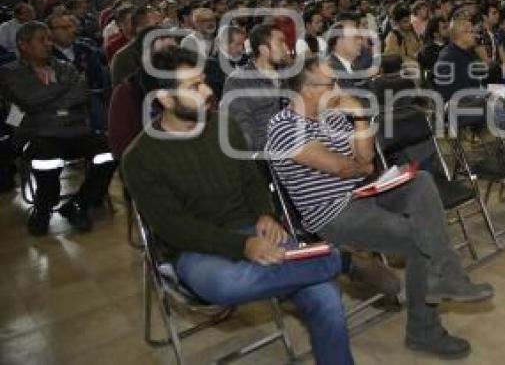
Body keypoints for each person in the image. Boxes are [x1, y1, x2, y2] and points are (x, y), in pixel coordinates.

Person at [121, 48, 355, 365]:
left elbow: (251, 180)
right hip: (194, 249)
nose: (208, 92)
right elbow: (174, 227)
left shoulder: (225, 126)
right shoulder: (140, 158)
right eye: (194, 87)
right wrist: (242, 245)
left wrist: (265, 213)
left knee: (326, 297)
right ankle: (340, 260)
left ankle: (326, 265)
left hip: (252, 227)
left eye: (204, 81)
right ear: (164, 98)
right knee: (228, 282)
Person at [265, 57, 494, 359]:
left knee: (422, 181)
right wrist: (356, 165)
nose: (338, 89)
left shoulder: (332, 114)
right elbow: (342, 168)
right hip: (333, 213)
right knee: (417, 239)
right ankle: (424, 329)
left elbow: (367, 161)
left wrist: (359, 116)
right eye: (330, 84)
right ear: (306, 89)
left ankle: (446, 276)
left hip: (362, 193)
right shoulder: (282, 127)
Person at [0, 22, 116, 236]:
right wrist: (64, 90)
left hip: (75, 130)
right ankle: (43, 209)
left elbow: (82, 93)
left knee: (109, 151)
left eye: (49, 39)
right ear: (23, 45)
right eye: (41, 40)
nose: (48, 44)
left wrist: (50, 100)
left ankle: (79, 204)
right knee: (46, 159)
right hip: (39, 134)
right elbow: (29, 99)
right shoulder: (10, 71)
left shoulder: (64, 66)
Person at [223, 24, 292, 152]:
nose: (286, 48)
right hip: (266, 154)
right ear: (264, 50)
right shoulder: (239, 81)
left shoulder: (290, 76)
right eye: (281, 43)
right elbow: (243, 130)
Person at [204, 25, 248, 103]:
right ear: (225, 44)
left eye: (243, 44)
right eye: (238, 44)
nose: (242, 48)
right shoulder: (211, 65)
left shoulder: (245, 58)